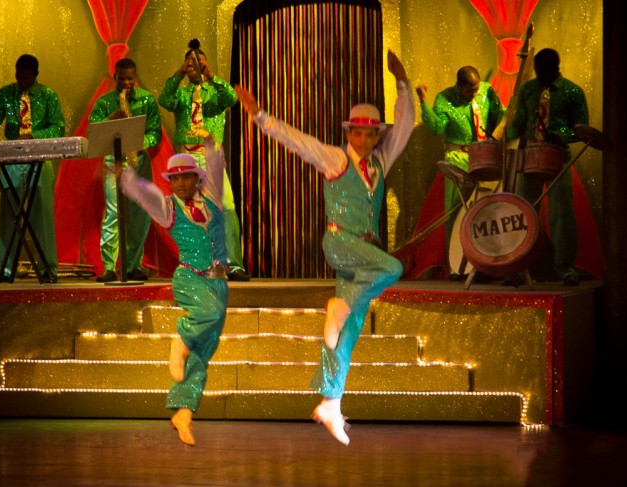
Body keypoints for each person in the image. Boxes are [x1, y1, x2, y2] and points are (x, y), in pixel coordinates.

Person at [235, 50, 414, 445]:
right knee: (394, 269)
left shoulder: (382, 162)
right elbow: (299, 142)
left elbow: (406, 125)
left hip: (361, 260)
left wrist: (403, 86)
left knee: (345, 335)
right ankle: (340, 309)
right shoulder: (336, 159)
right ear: (348, 134)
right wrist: (260, 116)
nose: (365, 140)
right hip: (339, 244)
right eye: (358, 133)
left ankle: (330, 403)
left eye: (371, 134)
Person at [119, 131, 228, 446]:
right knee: (209, 313)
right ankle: (180, 339)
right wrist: (125, 174)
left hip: (218, 282)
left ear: (196, 179)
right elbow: (144, 193)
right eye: (175, 179)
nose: (180, 184)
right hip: (190, 278)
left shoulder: (213, 200)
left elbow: (217, 169)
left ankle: (184, 412)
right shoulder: (168, 209)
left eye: (186, 178)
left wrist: (210, 145)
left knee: (202, 355)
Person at [159, 38, 250, 282]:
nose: (195, 67)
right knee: (191, 212)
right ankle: (197, 265)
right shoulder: (181, 93)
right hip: (187, 158)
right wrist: (179, 73)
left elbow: (231, 98)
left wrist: (211, 77)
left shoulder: (215, 93)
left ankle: (233, 265)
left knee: (226, 207)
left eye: (199, 63)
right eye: (190, 64)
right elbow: (164, 100)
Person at [0, 54, 64, 284]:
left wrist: (34, 136)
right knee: (10, 215)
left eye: (26, 77)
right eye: (18, 76)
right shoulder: (7, 93)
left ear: (36, 75)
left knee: (41, 215)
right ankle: (6, 269)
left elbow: (59, 127)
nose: (21, 80)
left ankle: (48, 269)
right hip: (13, 159)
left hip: (39, 158)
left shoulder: (47, 95)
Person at [507, 48, 589, 286]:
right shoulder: (528, 90)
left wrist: (560, 134)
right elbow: (519, 122)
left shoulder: (572, 91)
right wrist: (504, 130)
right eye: (537, 70)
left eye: (545, 71)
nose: (540, 74)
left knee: (562, 212)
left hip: (557, 157)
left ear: (555, 68)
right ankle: (519, 266)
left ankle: (565, 267)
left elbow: (582, 128)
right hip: (530, 155)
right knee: (523, 211)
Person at [417, 66, 505, 278]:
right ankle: (457, 266)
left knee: (487, 207)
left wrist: (498, 131)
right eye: (469, 91)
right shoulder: (445, 100)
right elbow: (437, 128)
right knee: (457, 210)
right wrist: (423, 102)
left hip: (484, 154)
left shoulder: (486, 90)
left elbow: (502, 113)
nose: (474, 94)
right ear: (459, 86)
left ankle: (487, 263)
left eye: (476, 89)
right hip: (458, 156)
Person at [90, 58, 162, 283]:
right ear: (115, 77)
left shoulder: (147, 100)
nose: (127, 83)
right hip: (115, 160)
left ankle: (132, 265)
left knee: (139, 215)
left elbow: (155, 132)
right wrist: (109, 121)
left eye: (131, 78)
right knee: (114, 212)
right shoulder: (103, 102)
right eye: (122, 79)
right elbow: (94, 130)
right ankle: (109, 266)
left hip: (139, 160)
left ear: (136, 77)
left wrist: (142, 143)